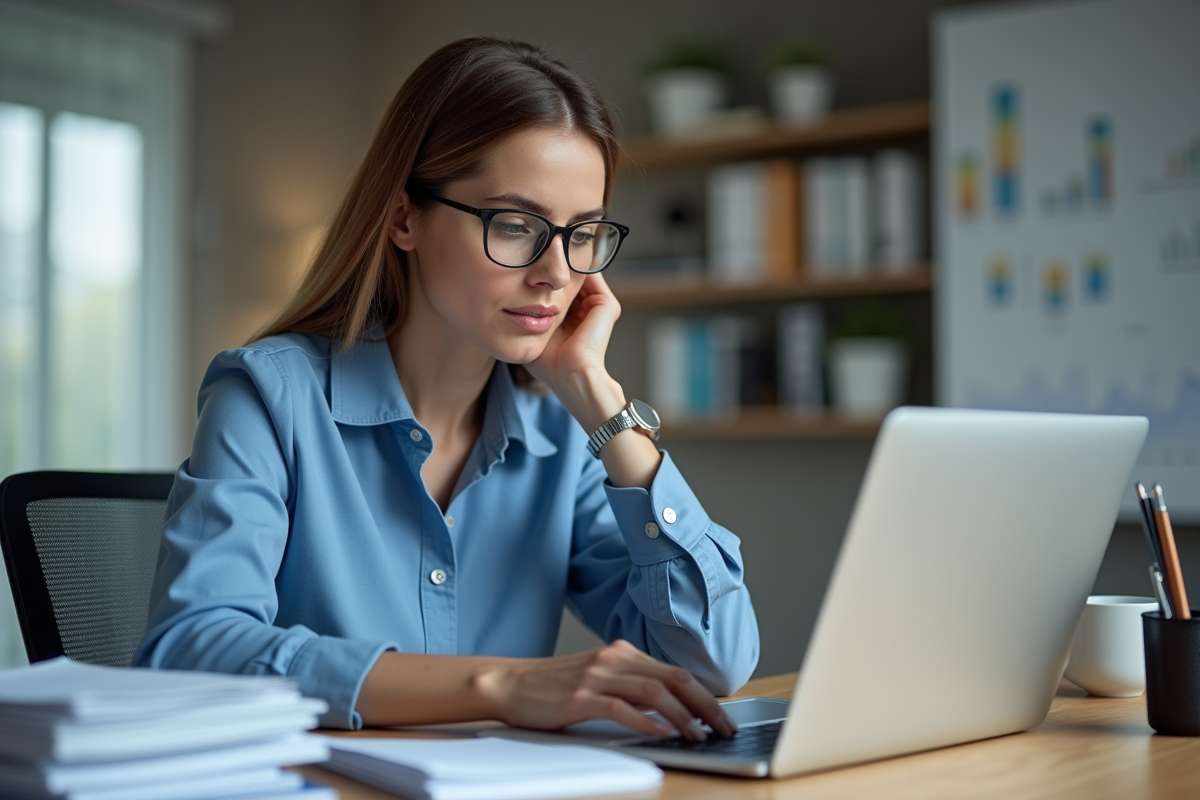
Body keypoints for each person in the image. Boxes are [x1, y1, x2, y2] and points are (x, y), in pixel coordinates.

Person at [136, 37, 759, 741]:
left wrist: (604, 405)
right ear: (405, 218)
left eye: (582, 233)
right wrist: (500, 687)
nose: (557, 273)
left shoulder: (562, 431)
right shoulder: (267, 397)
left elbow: (715, 662)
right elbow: (191, 650)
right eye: (516, 226)